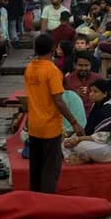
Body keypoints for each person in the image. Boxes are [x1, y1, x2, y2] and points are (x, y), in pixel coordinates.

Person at [25, 33, 84, 193]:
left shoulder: (30, 68)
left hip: (34, 125)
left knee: (35, 168)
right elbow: (58, 100)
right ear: (52, 49)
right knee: (50, 169)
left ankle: (35, 200)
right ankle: (47, 203)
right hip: (50, 127)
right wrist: (74, 122)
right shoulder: (52, 71)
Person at [64, 79, 111, 164]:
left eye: (95, 91)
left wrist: (78, 139)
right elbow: (89, 132)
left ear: (105, 94)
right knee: (65, 143)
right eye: (90, 91)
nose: (91, 94)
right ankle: (79, 157)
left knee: (81, 146)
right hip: (102, 145)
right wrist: (73, 139)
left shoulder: (109, 108)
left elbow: (103, 137)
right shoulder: (96, 105)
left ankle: (81, 158)